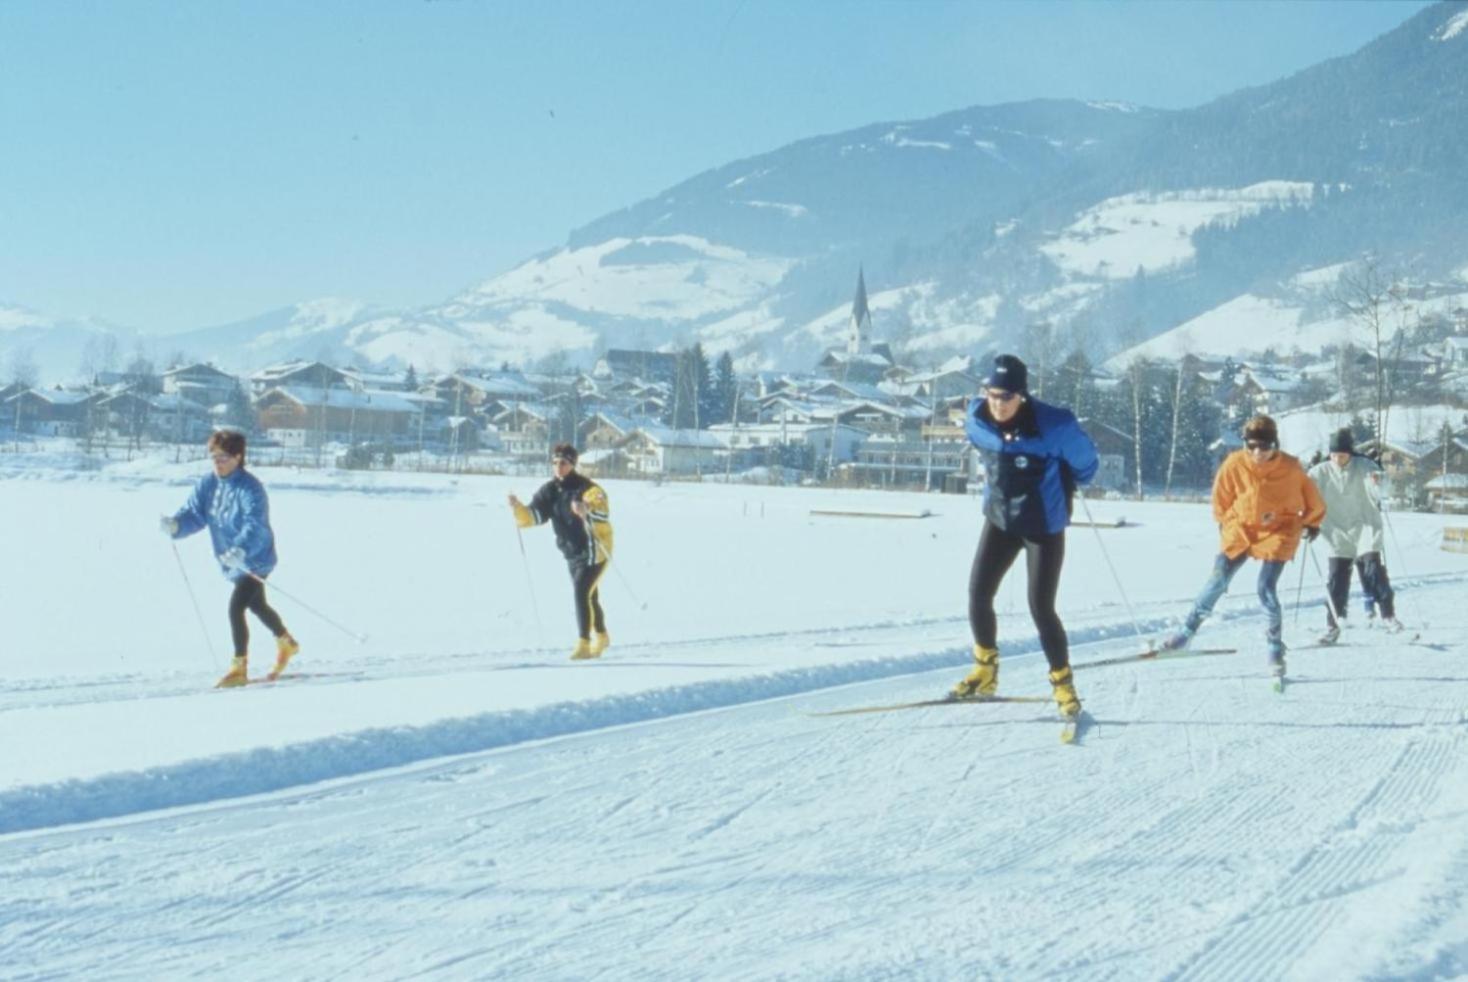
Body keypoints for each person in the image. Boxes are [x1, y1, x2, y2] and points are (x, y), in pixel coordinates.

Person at [952, 354, 1099, 720]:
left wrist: (1068, 476)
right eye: (992, 394)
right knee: (978, 593)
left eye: (1006, 397)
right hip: (1000, 520)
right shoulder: (975, 418)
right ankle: (985, 671)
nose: (998, 404)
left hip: (1043, 527)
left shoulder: (1055, 426)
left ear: (1023, 396)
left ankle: (1064, 686)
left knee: (1041, 607)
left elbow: (1087, 466)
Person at [1161, 415, 1325, 681]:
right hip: (1241, 528)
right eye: (1252, 447)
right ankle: (1186, 633)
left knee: (1265, 588)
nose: (1258, 453)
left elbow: (1313, 502)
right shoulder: (1235, 463)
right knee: (1217, 580)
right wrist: (1225, 523)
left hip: (1278, 530)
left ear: (1275, 445)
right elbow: (1221, 498)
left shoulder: (1291, 468)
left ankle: (1275, 648)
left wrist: (1312, 523)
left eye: (1265, 446)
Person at [161, 429, 298, 688]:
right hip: (230, 560)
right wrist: (177, 525)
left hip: (255, 558)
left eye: (223, 457)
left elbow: (255, 524)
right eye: (214, 457)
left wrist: (241, 550)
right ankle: (286, 642)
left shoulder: (251, 488)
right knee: (257, 605)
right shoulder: (208, 484)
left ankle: (239, 667)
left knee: (236, 607)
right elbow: (195, 513)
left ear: (238, 457)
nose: (218, 463)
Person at [509, 443, 614, 660]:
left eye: (563, 463)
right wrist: (518, 508)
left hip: (595, 550)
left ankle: (584, 643)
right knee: (590, 596)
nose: (558, 467)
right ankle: (602, 636)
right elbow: (535, 516)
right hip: (571, 551)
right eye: (555, 463)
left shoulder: (586, 488)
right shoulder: (549, 490)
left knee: (581, 591)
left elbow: (601, 508)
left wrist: (587, 508)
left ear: (572, 464)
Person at [1307, 427, 1401, 640]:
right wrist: (1305, 520)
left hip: (1365, 527)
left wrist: (1380, 482)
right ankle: (1334, 624)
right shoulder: (1320, 471)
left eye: (1342, 455)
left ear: (1350, 452)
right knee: (1336, 578)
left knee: (1373, 570)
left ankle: (1388, 616)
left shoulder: (1365, 466)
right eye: (1334, 455)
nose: (1338, 459)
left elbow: (1381, 492)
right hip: (1336, 530)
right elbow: (1306, 494)